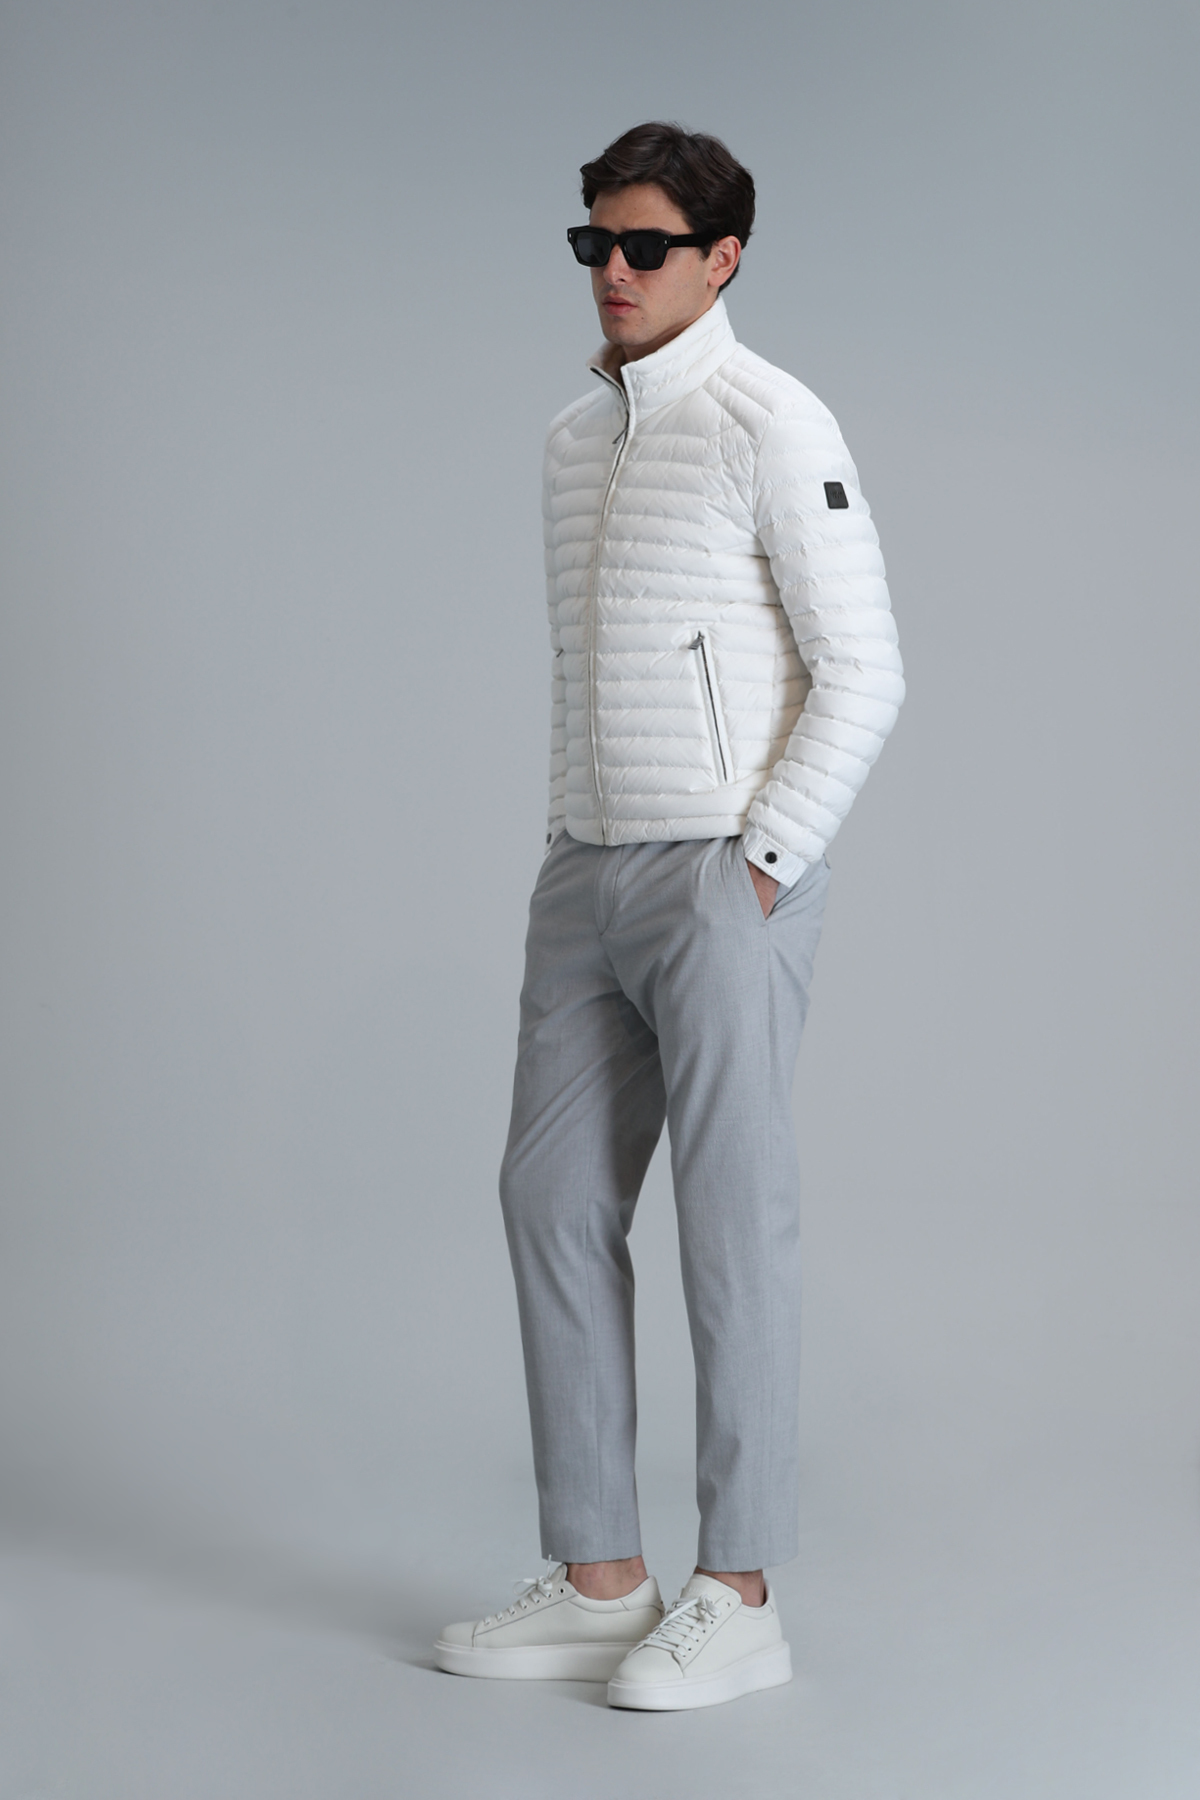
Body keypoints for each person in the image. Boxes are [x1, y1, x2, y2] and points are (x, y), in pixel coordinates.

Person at [435, 122, 904, 1711]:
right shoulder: (574, 439)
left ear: (723, 259)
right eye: (595, 245)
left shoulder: (775, 420)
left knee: (729, 1222)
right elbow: (592, 672)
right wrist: (567, 845)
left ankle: (741, 1591)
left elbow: (866, 670)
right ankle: (600, 1578)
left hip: (720, 875)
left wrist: (760, 862)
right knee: (548, 1198)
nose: (615, 273)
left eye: (646, 247)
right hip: (585, 873)